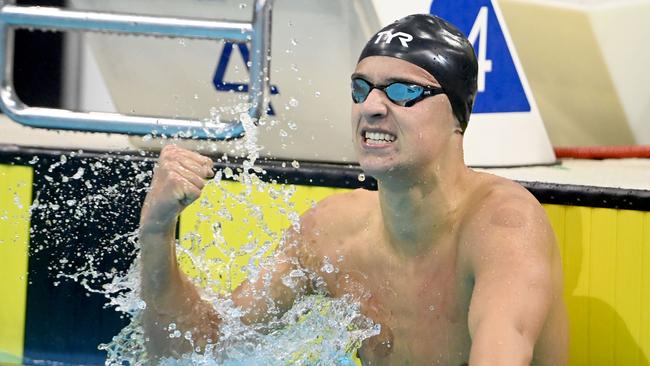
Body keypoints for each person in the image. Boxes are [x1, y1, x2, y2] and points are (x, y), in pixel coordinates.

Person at [138, 14, 568, 365]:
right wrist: (157, 230)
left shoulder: (503, 227)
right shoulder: (332, 233)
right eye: (361, 89)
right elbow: (193, 349)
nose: (373, 107)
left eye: (404, 92)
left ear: (458, 115)